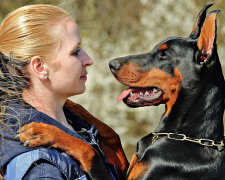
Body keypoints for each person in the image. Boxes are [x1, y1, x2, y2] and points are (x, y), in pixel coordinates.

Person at [0, 4, 128, 180]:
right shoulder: (42, 168)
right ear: (40, 67)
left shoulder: (77, 123)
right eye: (75, 52)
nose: (88, 60)